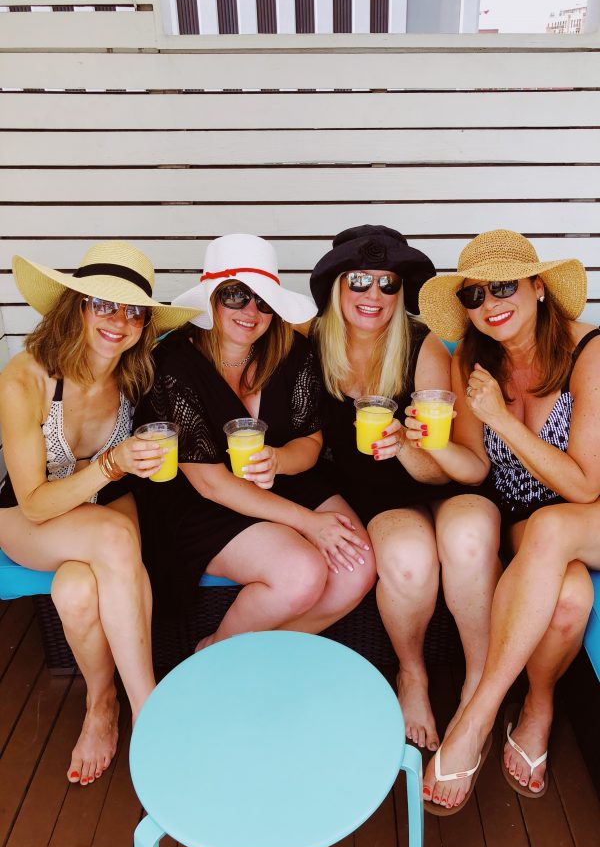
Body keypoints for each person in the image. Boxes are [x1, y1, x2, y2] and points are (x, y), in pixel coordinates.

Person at [0, 242, 200, 785]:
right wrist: (111, 464)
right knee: (112, 540)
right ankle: (151, 709)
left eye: (134, 310)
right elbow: (35, 501)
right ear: (75, 308)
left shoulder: (137, 371)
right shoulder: (26, 378)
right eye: (103, 304)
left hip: (106, 502)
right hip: (32, 513)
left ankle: (101, 702)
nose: (119, 321)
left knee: (75, 590)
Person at [415, 229, 598, 813]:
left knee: (553, 529)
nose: (489, 305)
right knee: (568, 598)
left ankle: (477, 715)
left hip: (591, 511)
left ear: (538, 288)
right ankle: (537, 706)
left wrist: (503, 417)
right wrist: (424, 445)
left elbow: (585, 484)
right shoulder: (472, 358)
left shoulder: (589, 350)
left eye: (502, 287)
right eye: (474, 296)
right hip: (528, 516)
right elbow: (472, 468)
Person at [309, 225, 502, 753]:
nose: (374, 296)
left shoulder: (422, 347)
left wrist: (410, 448)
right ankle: (412, 674)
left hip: (440, 481)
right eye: (360, 281)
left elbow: (466, 470)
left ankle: (478, 684)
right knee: (409, 559)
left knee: (467, 538)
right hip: (378, 496)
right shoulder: (309, 344)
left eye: (387, 284)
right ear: (336, 287)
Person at [135, 233, 375, 649]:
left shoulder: (290, 349)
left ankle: (256, 656)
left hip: (286, 478)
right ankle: (215, 658)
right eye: (236, 295)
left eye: (264, 300)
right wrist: (309, 524)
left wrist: (279, 461)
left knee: (358, 566)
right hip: (202, 498)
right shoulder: (173, 365)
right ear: (211, 299)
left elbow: (311, 441)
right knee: (300, 573)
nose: (251, 311)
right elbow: (209, 482)